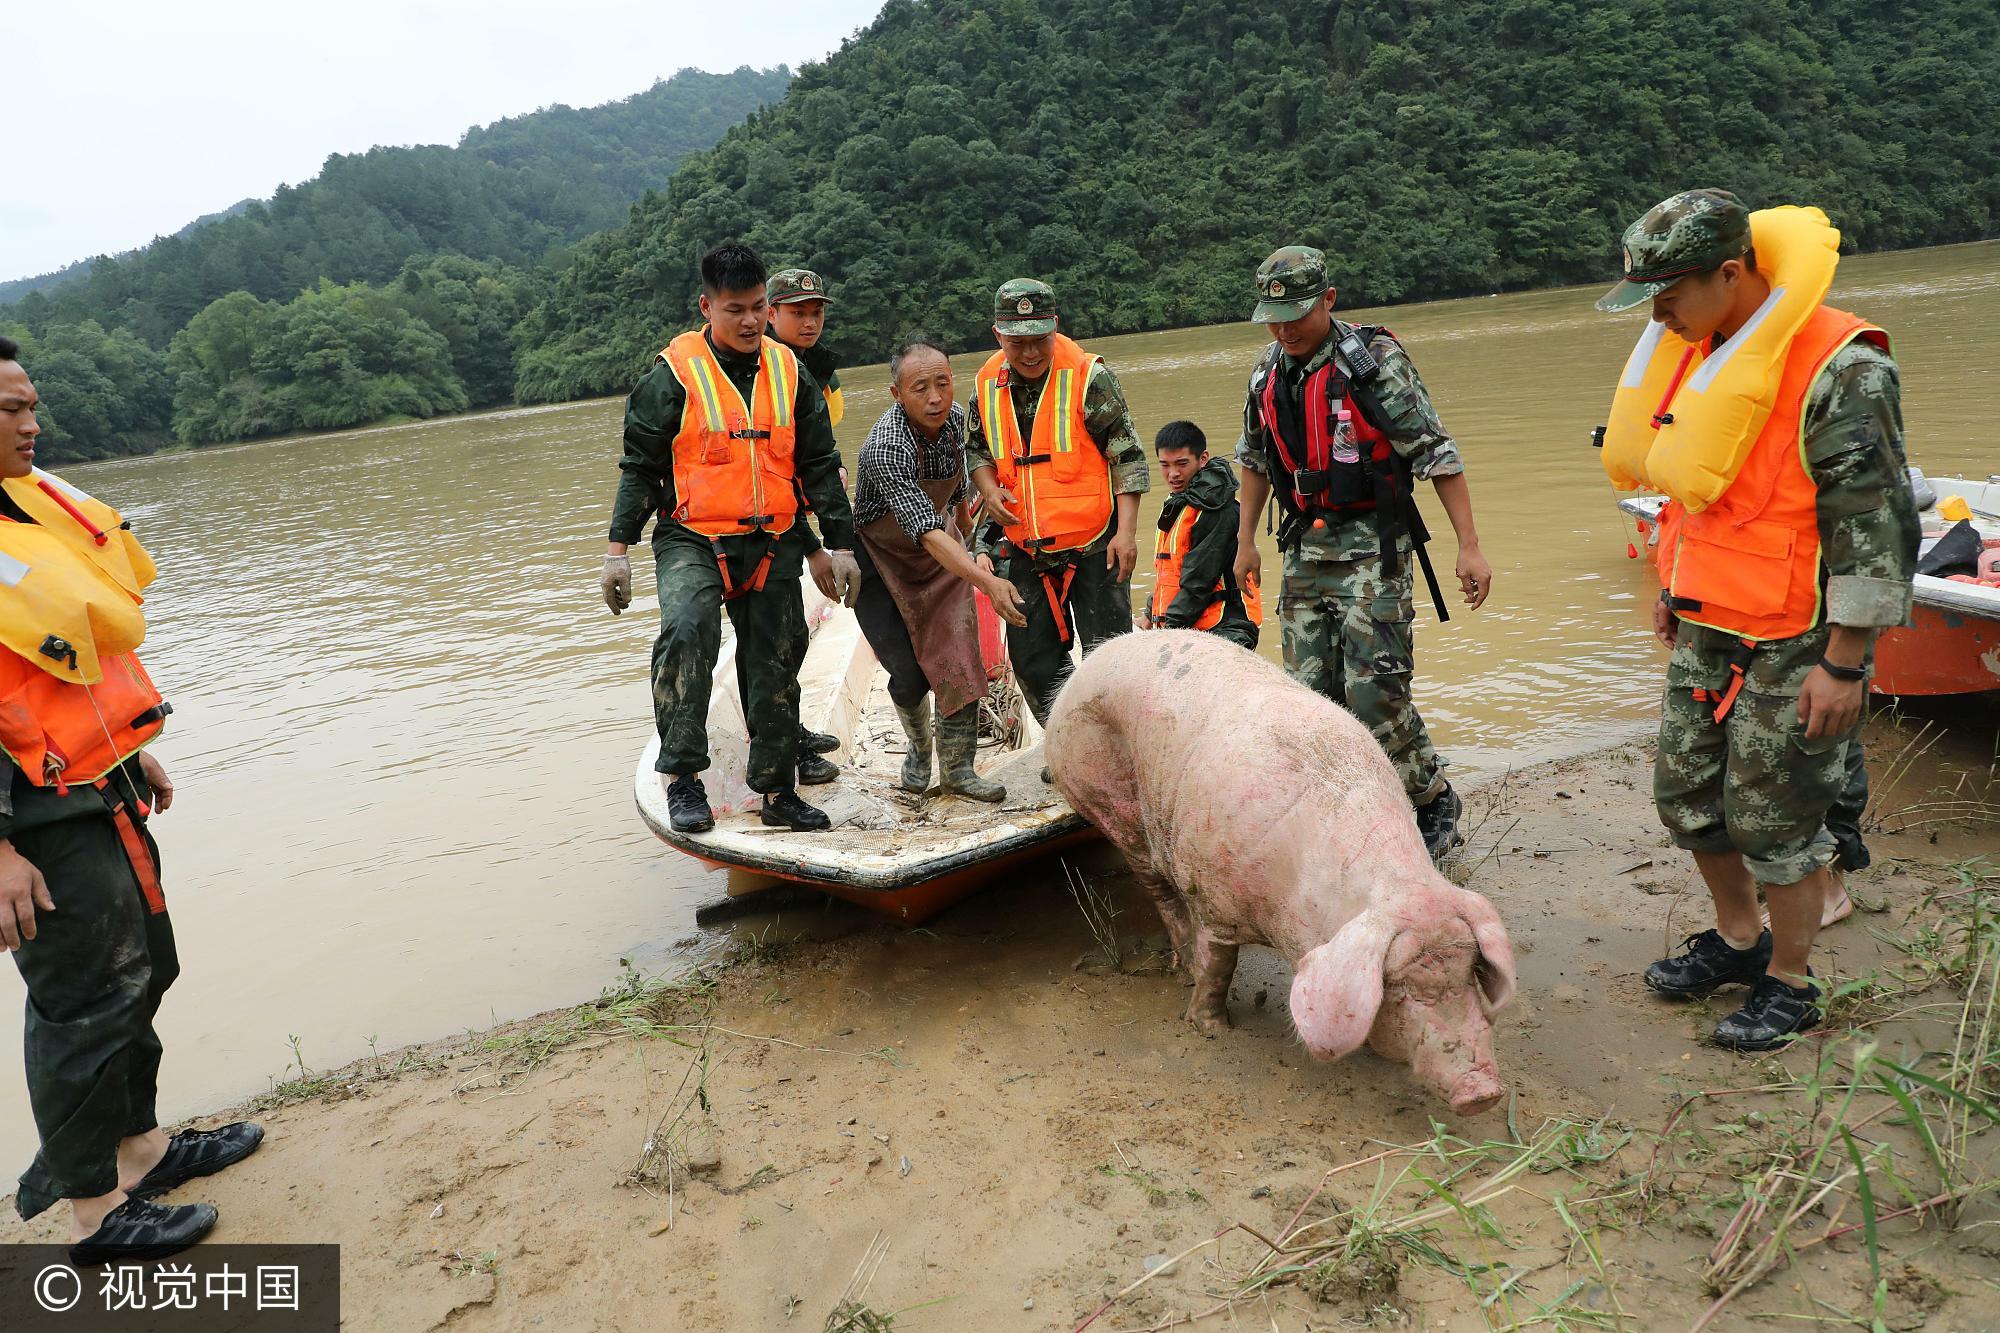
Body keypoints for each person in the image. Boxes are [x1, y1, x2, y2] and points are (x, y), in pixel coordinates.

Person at [1596, 189, 1918, 1049]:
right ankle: (1741, 943)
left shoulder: (1841, 365)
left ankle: (1791, 979)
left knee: (1778, 819)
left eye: (1668, 295)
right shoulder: (1693, 348)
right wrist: (1672, 584)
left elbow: (1875, 520)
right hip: (1710, 619)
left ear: (1730, 273)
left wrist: (1846, 660)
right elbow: (1701, 498)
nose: (1657, 317)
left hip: (1801, 631)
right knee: (1689, 800)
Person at [0, 336, 262, 1261]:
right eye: (9, 410)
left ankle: (140, 1149)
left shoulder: (28, 517)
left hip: (94, 782)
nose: (32, 425)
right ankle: (92, 1214)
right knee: (81, 1001)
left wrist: (128, 750)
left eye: (32, 405)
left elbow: (67, 665)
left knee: (144, 968)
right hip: (31, 822)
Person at [1232, 247, 1492, 861]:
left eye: (1295, 313)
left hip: (1376, 550)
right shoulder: (1267, 373)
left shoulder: (1374, 363)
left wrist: (1471, 548)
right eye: (1273, 316)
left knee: (1376, 693)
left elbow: (1435, 451)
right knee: (1310, 699)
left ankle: (1431, 797)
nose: (1284, 328)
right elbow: (1254, 461)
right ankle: (1347, 808)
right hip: (1303, 551)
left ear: (1329, 300)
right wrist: (1245, 541)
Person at [601, 243, 859, 834]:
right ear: (707, 307)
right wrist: (618, 552)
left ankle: (775, 790)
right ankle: (685, 779)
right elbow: (639, 467)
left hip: (771, 540)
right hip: (692, 536)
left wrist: (837, 544)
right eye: (735, 308)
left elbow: (818, 463)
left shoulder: (791, 371)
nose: (748, 321)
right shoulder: (670, 378)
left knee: (776, 653)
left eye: (757, 307)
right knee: (687, 630)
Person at [965, 279, 1148, 731]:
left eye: (1039, 341)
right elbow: (976, 450)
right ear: (997, 335)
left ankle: (1116, 749)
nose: (1030, 353)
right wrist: (988, 489)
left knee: (1109, 657)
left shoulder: (1091, 378)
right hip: (1027, 547)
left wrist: (1126, 534)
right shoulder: (986, 383)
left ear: (1056, 328)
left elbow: (1127, 457)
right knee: (1031, 659)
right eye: (1017, 342)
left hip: (1094, 545)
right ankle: (1070, 744)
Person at [852, 335, 1028, 801]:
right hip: (880, 558)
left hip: (941, 553)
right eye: (920, 388)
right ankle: (918, 746)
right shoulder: (885, 447)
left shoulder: (957, 422)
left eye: (943, 384)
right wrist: (987, 581)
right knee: (907, 673)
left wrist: (968, 519)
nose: (935, 398)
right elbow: (926, 531)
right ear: (896, 394)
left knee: (958, 653)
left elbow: (958, 487)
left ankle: (957, 769)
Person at [765, 266, 848, 784]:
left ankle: (790, 733)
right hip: (765, 524)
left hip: (790, 518)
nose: (810, 320)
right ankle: (784, 749)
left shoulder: (818, 371)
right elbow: (772, 470)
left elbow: (815, 456)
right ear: (769, 315)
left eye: (816, 311)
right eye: (797, 312)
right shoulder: (767, 373)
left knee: (791, 636)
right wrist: (816, 545)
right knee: (779, 639)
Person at [1143, 421, 1261, 649]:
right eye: (1165, 465)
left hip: (1227, 629)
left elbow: (1198, 583)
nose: (1173, 474)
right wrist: (1150, 614)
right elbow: (1170, 573)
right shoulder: (1180, 503)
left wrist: (1166, 636)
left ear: (1203, 458)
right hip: (1191, 625)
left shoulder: (1217, 511)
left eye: (1182, 464)